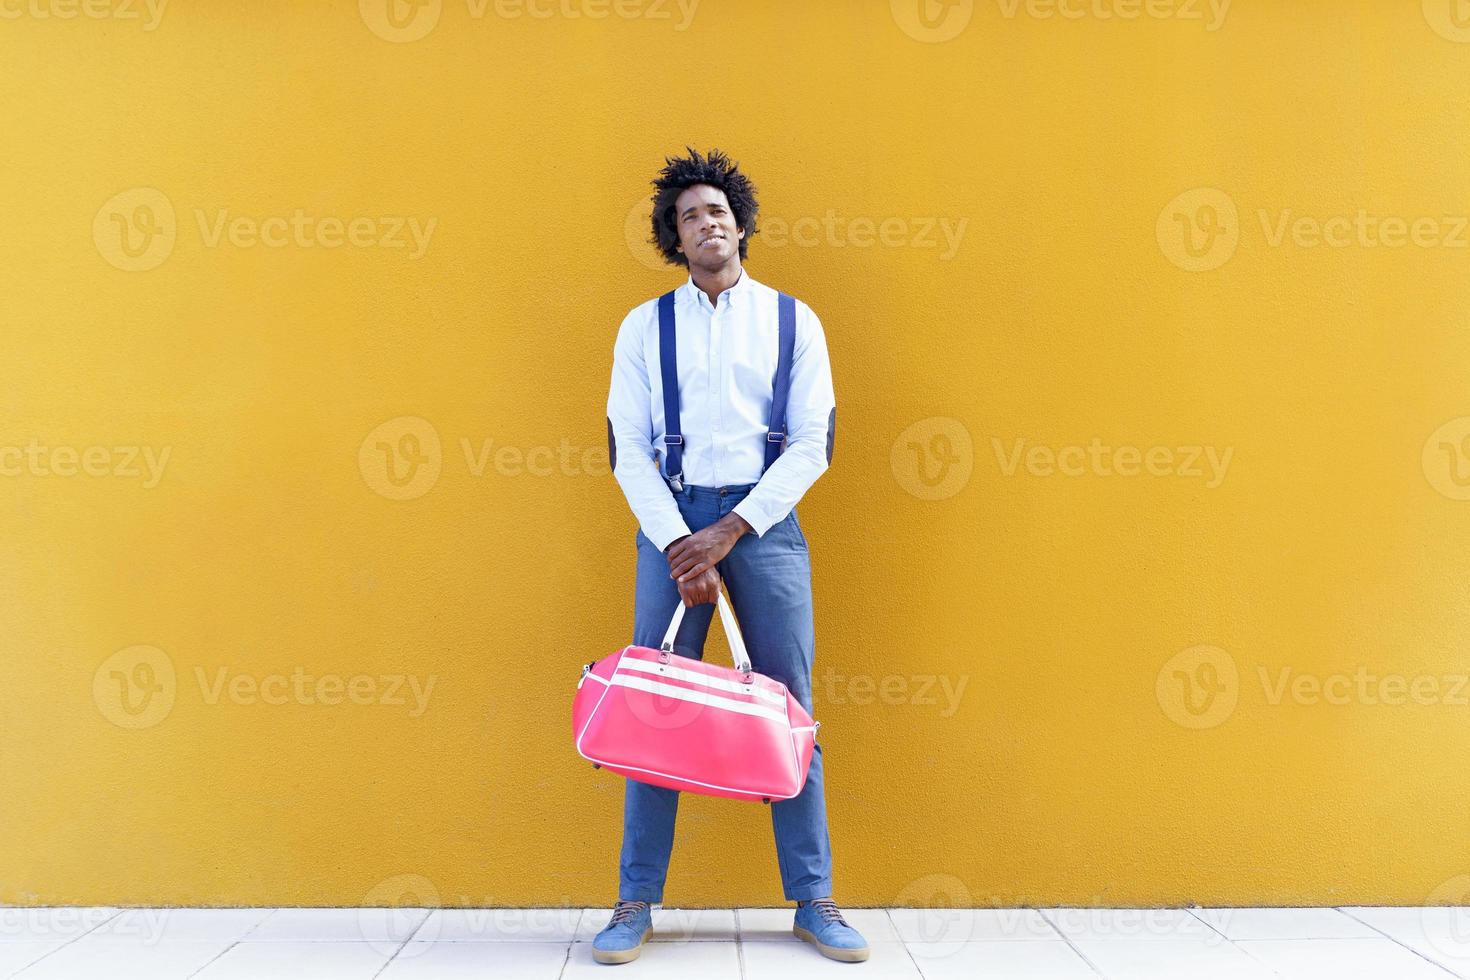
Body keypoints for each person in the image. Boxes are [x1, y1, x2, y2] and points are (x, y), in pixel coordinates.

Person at [596, 147, 865, 965]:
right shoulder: (645, 325)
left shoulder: (794, 321)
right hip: (670, 524)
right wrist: (683, 543)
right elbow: (626, 447)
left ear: (740, 223)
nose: (706, 224)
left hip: (765, 526)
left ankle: (813, 901)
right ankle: (634, 901)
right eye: (688, 217)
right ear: (675, 239)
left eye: (717, 211)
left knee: (791, 710)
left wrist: (731, 531)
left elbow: (813, 442)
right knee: (654, 709)